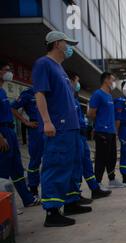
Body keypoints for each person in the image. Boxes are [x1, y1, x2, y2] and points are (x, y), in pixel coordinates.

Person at [32, 31, 92, 227]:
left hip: (72, 127)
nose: (69, 47)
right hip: (58, 127)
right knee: (56, 165)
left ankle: (71, 201)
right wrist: (47, 121)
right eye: (66, 43)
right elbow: (40, 94)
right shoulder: (44, 64)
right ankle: (52, 211)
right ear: (57, 43)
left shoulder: (60, 68)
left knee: (73, 164)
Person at [0, 61, 40, 208]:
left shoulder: (2, 91)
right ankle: (3, 207)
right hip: (2, 133)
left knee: (16, 169)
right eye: (6, 70)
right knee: (3, 171)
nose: (9, 73)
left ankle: (27, 199)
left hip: (9, 132)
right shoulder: (27, 94)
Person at [68, 72, 112, 201]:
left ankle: (94, 189)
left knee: (86, 163)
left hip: (81, 135)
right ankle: (74, 195)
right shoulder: (68, 98)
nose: (78, 85)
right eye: (76, 81)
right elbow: (91, 113)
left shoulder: (74, 98)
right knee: (77, 165)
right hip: (74, 134)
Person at [88, 72, 126, 189]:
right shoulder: (97, 94)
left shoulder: (109, 95)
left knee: (112, 157)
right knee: (101, 158)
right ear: (106, 80)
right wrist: (100, 124)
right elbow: (91, 113)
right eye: (112, 80)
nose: (113, 83)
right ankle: (98, 182)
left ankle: (112, 180)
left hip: (111, 131)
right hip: (102, 131)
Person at [11, 87, 44, 197]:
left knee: (52, 160)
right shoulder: (28, 94)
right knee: (35, 160)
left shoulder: (48, 92)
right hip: (36, 131)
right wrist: (26, 122)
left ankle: (51, 189)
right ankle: (33, 189)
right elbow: (13, 108)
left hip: (50, 130)